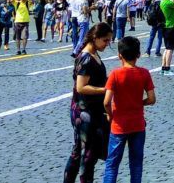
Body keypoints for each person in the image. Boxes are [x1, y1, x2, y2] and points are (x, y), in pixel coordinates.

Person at [65, 22, 114, 183]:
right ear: (95, 37)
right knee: (88, 155)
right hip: (84, 111)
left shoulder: (93, 54)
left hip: (89, 109)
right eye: (105, 40)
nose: (108, 44)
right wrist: (106, 89)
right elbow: (81, 87)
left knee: (78, 151)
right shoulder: (86, 58)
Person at [101, 36, 155, 183]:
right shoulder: (144, 73)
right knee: (136, 164)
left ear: (120, 55)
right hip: (137, 124)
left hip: (119, 125)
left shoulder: (115, 74)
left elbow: (106, 101)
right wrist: (138, 103)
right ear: (138, 55)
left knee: (112, 164)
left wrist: (110, 115)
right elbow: (152, 99)